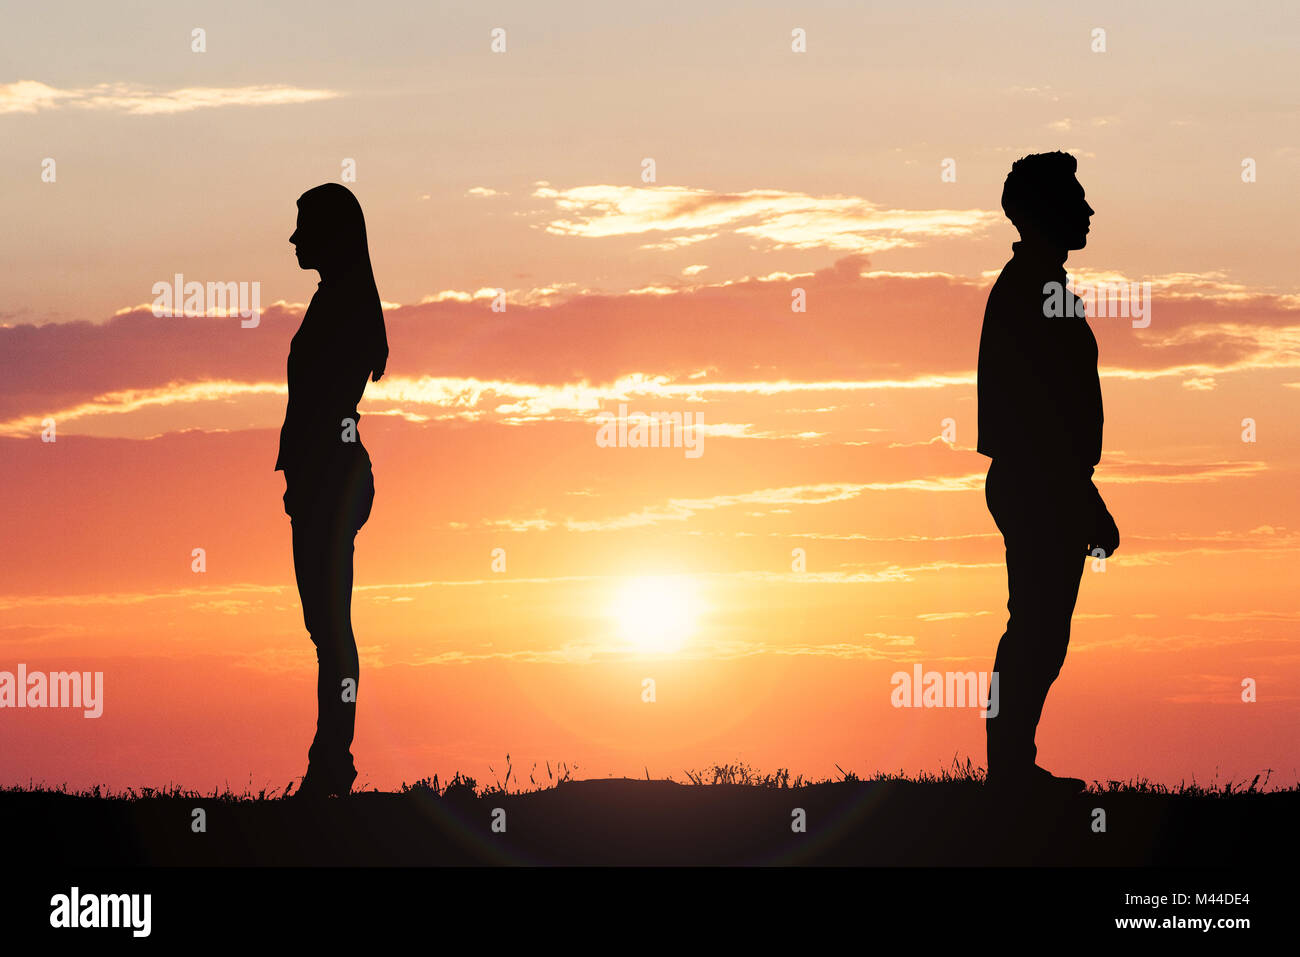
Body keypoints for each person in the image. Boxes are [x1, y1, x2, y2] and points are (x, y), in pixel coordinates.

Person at [976, 151, 1119, 794]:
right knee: (1036, 626)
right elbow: (1038, 414)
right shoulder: (1031, 291)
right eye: (1075, 200)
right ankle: (1008, 769)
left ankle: (1012, 764)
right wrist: (1080, 496)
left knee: (1039, 626)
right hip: (1039, 481)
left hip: (1045, 480)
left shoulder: (1040, 287)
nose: (1088, 210)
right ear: (1042, 213)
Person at [276, 183, 388, 799]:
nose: (293, 240)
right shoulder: (336, 301)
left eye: (303, 227)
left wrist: (308, 478)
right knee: (324, 624)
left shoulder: (342, 306)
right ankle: (331, 762)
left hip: (334, 478)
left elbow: (324, 404)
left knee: (330, 628)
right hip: (326, 477)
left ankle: (332, 766)